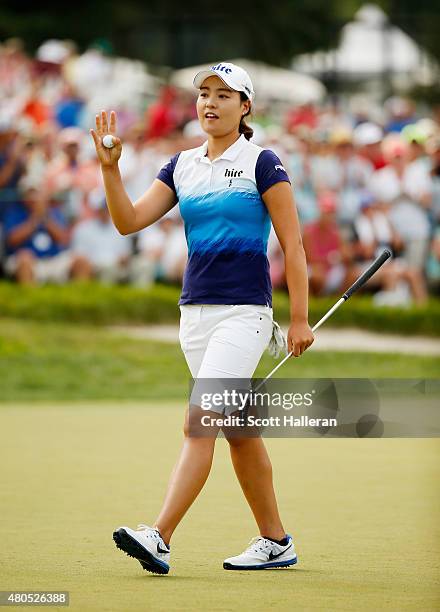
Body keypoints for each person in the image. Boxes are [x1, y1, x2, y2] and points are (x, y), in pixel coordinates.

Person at [90, 62, 314, 575]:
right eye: (204, 95)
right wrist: (109, 168)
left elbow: (293, 244)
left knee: (200, 423)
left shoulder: (263, 163)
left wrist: (299, 318)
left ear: (245, 107)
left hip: (244, 314)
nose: (210, 103)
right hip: (195, 315)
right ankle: (276, 540)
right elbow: (128, 222)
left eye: (224, 95)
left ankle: (160, 535)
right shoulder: (181, 165)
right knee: (237, 430)